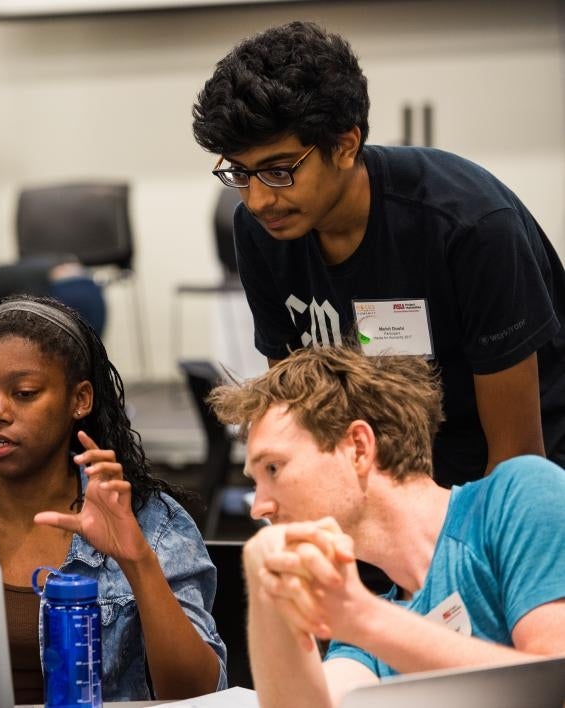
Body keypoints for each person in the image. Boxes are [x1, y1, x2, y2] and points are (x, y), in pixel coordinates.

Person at [191, 21, 565, 487]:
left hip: (514, 475)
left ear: (345, 145)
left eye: (279, 171)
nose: (259, 199)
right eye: (240, 174)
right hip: (386, 471)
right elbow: (297, 418)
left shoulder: (471, 227)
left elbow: (516, 465)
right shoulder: (261, 230)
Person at [0, 295, 227, 703]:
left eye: (25, 393)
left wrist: (136, 561)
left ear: (80, 400)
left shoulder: (152, 524)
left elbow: (201, 696)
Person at [208, 346, 565, 708]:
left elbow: (556, 686)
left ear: (358, 448)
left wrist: (360, 617)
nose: (260, 508)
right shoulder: (363, 628)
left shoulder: (518, 496)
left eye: (273, 468)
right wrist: (268, 599)